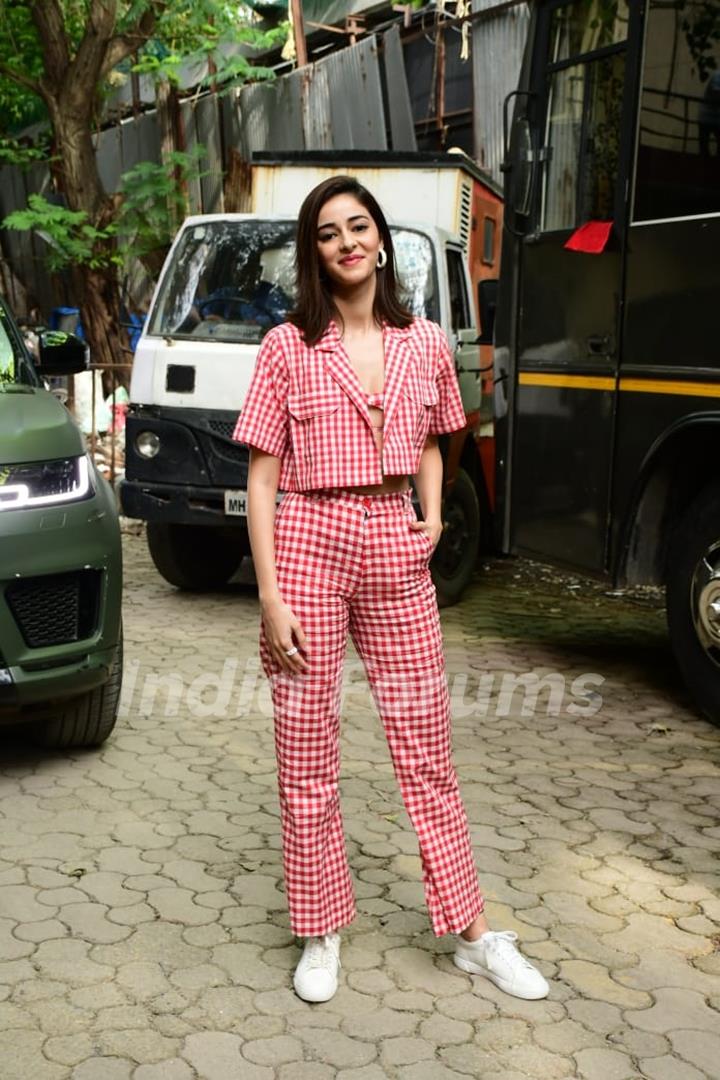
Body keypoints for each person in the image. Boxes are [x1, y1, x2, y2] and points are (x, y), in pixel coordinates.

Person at [233, 176, 549, 1005]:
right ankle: (321, 928)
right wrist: (269, 592)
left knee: (426, 748)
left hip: (394, 544)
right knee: (306, 751)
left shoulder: (425, 343)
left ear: (380, 239)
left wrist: (435, 514)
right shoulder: (285, 348)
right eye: (329, 232)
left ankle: (473, 933)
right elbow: (261, 479)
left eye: (358, 226)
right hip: (305, 539)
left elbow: (439, 440)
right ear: (315, 251)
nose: (346, 242)